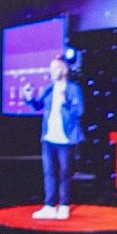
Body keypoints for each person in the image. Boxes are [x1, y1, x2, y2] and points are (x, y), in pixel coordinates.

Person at [30, 53, 84, 222]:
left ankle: (64, 205)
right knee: (49, 173)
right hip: (48, 138)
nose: (51, 71)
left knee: (65, 173)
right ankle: (49, 206)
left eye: (55, 68)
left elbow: (79, 111)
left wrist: (65, 102)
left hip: (65, 139)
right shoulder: (49, 88)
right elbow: (38, 106)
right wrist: (29, 98)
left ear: (64, 70)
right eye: (50, 68)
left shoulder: (73, 89)